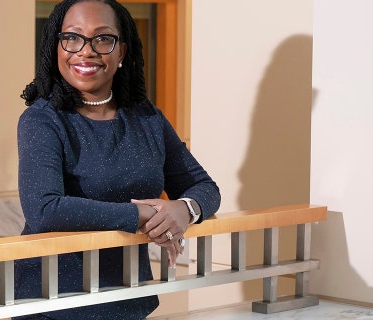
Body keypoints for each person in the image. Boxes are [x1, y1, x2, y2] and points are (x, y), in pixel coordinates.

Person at [15, 0, 220, 319]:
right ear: (56, 47)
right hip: (57, 300)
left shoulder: (146, 117)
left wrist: (185, 209)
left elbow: (203, 186)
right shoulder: (43, 119)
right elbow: (43, 209)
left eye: (103, 38)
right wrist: (141, 214)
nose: (86, 50)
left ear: (122, 51)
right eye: (72, 37)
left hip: (127, 295)